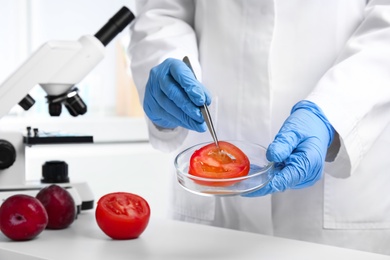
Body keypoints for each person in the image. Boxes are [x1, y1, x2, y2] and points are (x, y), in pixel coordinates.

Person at [128, 0, 390, 255]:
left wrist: (334, 111)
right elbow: (161, 12)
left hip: (339, 214)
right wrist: (168, 66)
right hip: (215, 218)